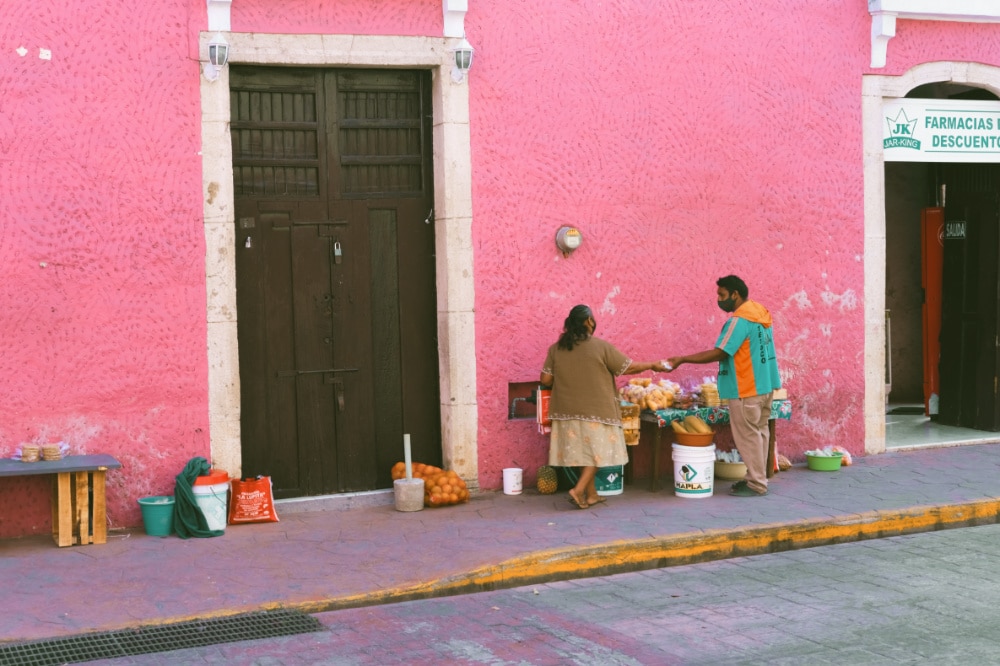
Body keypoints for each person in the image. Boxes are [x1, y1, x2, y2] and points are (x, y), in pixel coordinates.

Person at [540, 304, 667, 509]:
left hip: (566, 411)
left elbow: (545, 379)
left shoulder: (556, 349)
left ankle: (592, 495)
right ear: (589, 321)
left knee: (583, 453)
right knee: (598, 452)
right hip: (596, 410)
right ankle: (578, 490)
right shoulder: (600, 347)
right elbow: (629, 367)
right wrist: (652, 364)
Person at [666, 275, 781, 497]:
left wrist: (683, 359)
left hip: (746, 389)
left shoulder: (738, 321)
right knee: (759, 434)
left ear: (735, 294)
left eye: (722, 295)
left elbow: (721, 351)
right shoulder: (761, 314)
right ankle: (757, 478)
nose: (719, 300)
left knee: (749, 437)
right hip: (765, 386)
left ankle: (757, 483)